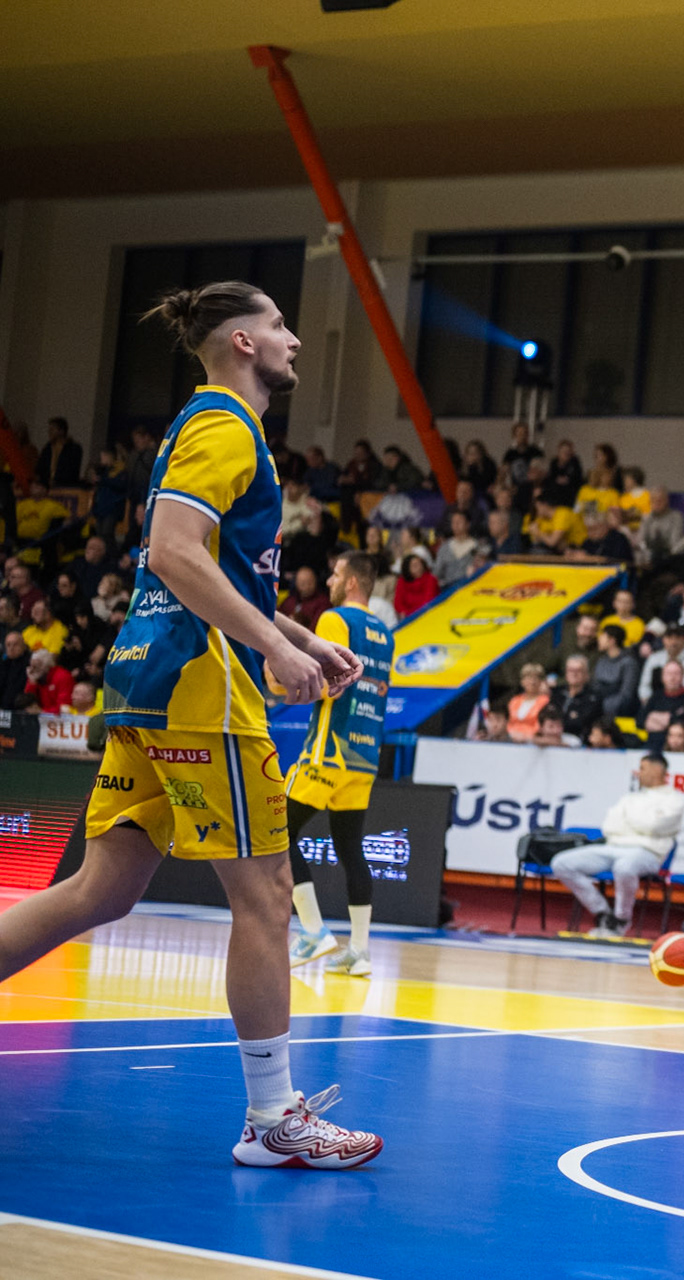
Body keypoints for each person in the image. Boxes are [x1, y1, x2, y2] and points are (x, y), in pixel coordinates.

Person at [0, 281, 380, 1167]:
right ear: (242, 342)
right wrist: (272, 651)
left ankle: (273, 1117)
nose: (293, 338)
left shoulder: (205, 427)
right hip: (201, 689)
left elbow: (211, 572)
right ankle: (273, 1119)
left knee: (102, 890)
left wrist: (298, 638)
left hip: (150, 680)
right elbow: (173, 553)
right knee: (268, 895)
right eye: (278, 324)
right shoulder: (225, 424)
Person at [283, 552, 394, 978]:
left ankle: (313, 930)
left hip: (328, 750)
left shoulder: (334, 619)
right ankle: (360, 952)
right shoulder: (385, 634)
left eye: (334, 574)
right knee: (350, 848)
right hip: (364, 756)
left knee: (276, 830)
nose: (329, 580)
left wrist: (281, 680)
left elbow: (327, 686)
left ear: (350, 582)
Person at [550, 752, 684, 939]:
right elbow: (609, 827)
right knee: (561, 863)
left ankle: (621, 918)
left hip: (647, 852)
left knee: (624, 867)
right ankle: (603, 912)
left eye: (642, 768)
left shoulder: (674, 800)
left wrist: (629, 819)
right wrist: (642, 822)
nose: (638, 773)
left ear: (656, 771)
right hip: (613, 847)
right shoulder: (631, 798)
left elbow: (654, 826)